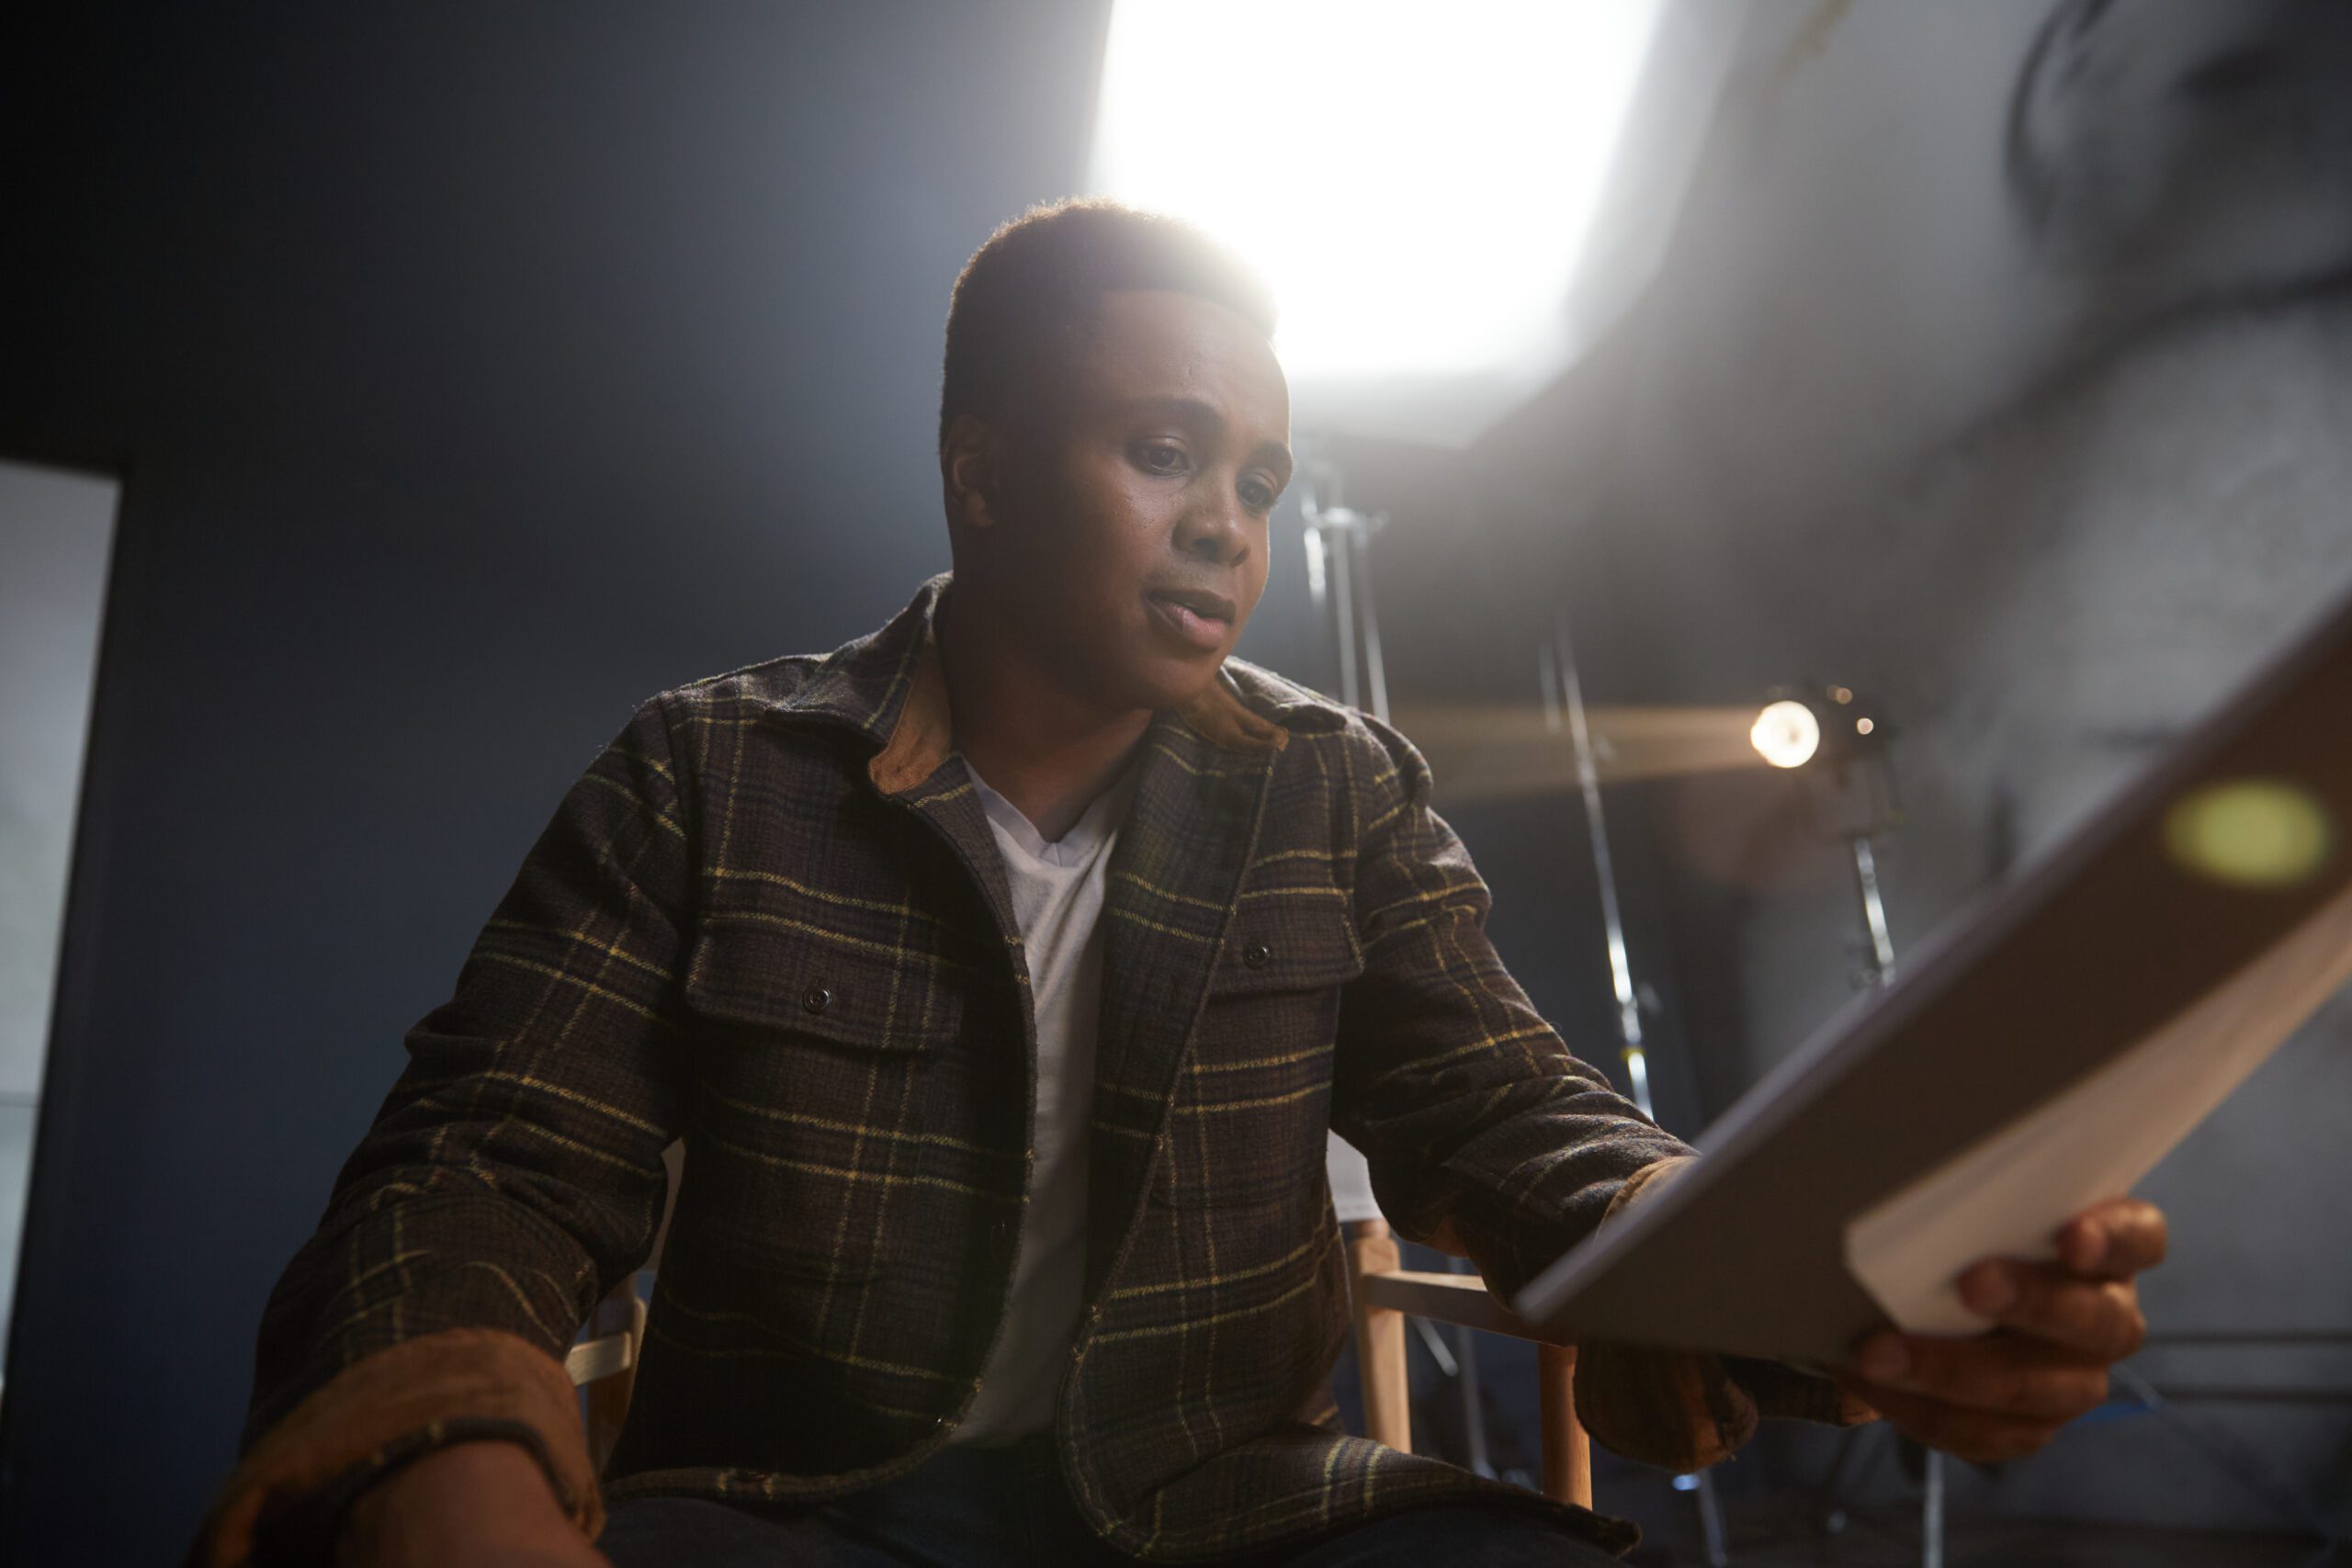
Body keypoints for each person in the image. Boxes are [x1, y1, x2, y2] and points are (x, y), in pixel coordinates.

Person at [196, 200, 2166, 1568]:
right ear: (977, 468)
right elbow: (484, 1154)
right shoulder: (707, 769)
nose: (1225, 523)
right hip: (793, 1503)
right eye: (1162, 450)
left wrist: (1833, 1289)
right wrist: (445, 1443)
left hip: (1236, 1507)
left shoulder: (1335, 789)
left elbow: (1505, 1112)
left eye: (1258, 479)